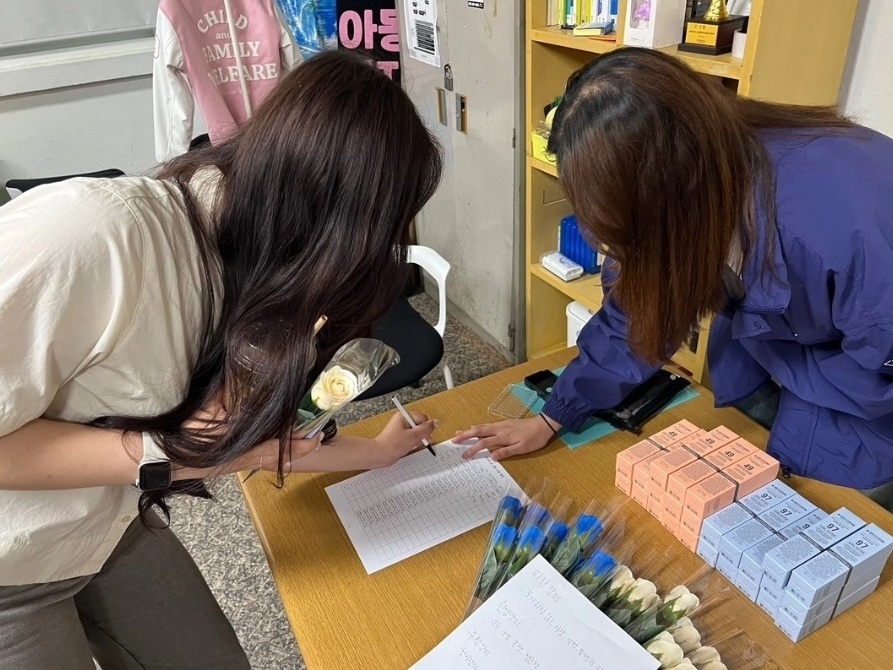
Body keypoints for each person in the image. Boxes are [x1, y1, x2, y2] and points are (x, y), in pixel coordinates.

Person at [0, 51, 441, 669]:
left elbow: (257, 441)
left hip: (105, 521)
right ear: (332, 225)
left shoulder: (265, 281)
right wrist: (182, 453)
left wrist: (376, 453)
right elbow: (201, 447)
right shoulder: (94, 235)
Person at [457, 48, 893, 510]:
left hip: (867, 391)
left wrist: (799, 389)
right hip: (796, 352)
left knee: (830, 516)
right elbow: (636, 312)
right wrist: (554, 416)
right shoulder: (682, 188)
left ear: (673, 190)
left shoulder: (842, 229)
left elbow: (877, 370)